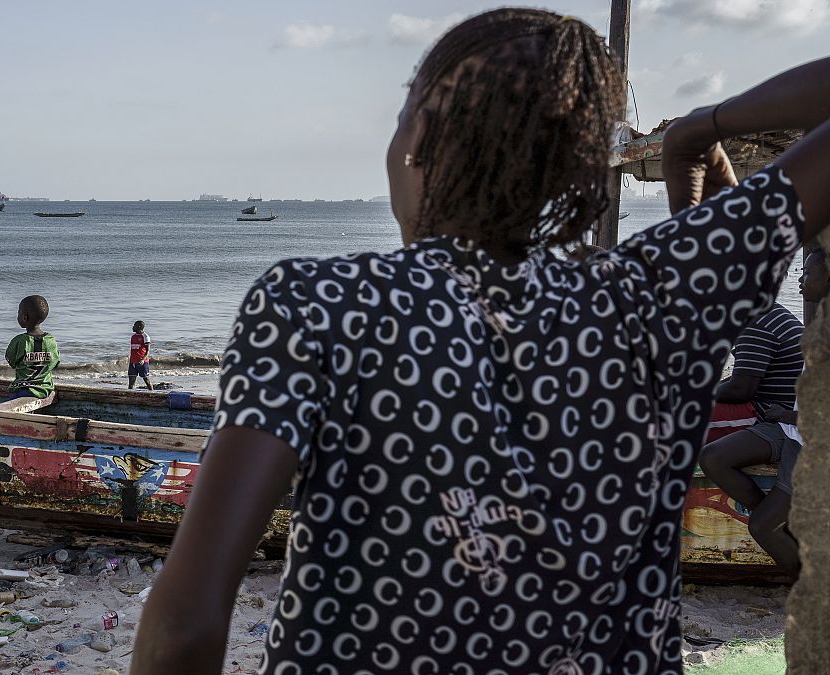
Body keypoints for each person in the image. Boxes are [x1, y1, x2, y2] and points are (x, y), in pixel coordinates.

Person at [132, 9, 830, 675]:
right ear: (581, 166)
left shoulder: (319, 303)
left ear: (421, 135)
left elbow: (184, 628)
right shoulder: (656, 296)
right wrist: (702, 127)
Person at [699, 249, 828, 574]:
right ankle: (777, 516)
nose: (800, 278)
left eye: (808, 272)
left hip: (800, 431)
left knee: (762, 527)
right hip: (787, 425)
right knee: (713, 457)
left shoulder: (761, 320)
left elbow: (742, 388)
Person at [714, 300, 803, 420]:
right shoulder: (768, 310)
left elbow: (740, 390)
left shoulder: (755, 323)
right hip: (782, 404)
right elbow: (746, 374)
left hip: (771, 411)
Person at [6, 295, 60, 398]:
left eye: (19, 312)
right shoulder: (51, 341)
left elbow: (11, 361)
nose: (17, 315)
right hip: (44, 390)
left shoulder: (19, 341)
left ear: (25, 317)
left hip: (21, 389)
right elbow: (55, 363)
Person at [128, 320, 153, 391]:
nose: (132, 327)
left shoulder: (145, 337)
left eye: (134, 326)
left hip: (142, 362)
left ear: (139, 327)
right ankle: (130, 396)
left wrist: (142, 359)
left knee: (146, 380)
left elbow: (148, 351)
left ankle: (151, 393)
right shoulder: (133, 337)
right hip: (133, 362)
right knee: (131, 382)